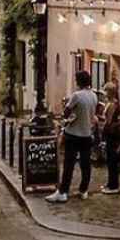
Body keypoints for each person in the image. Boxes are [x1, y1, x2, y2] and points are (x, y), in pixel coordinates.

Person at [46, 70, 97, 203]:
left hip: (73, 134)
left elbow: (66, 112)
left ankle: (63, 191)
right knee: (86, 164)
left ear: (79, 81)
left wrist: (67, 115)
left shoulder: (77, 96)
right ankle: (83, 190)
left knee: (69, 164)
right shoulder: (93, 96)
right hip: (87, 134)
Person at [100, 82, 120, 194]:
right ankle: (110, 183)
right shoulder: (113, 103)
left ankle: (114, 185)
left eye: (105, 91)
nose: (104, 93)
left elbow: (108, 122)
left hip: (112, 135)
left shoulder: (112, 104)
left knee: (112, 160)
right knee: (110, 160)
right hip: (113, 134)